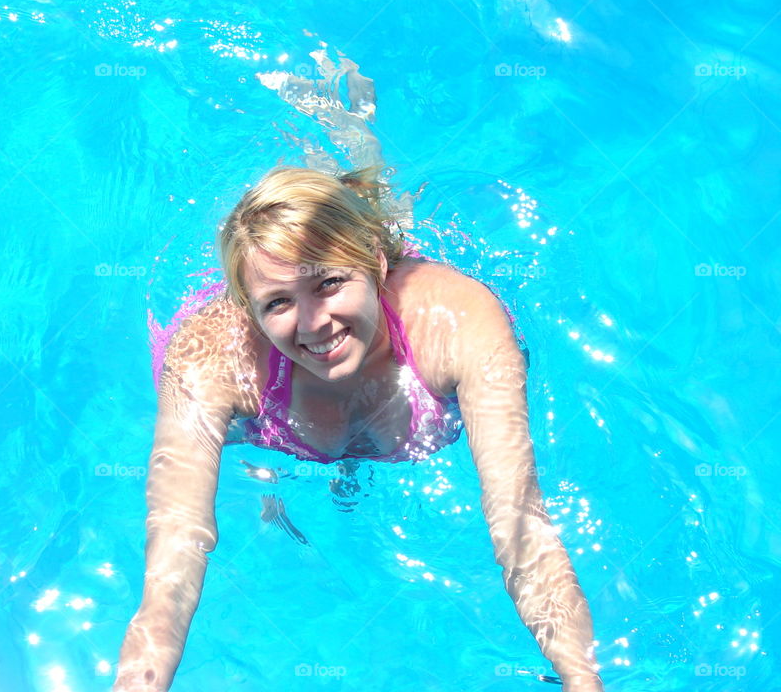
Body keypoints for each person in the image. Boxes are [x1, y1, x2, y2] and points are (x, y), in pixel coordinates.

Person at [114, 166, 604, 692]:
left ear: (373, 262)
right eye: (278, 302)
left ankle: (349, 117)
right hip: (271, 426)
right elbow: (175, 550)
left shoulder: (457, 322)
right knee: (251, 472)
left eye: (328, 283)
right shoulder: (211, 358)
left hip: (399, 335)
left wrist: (581, 679)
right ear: (249, 311)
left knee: (367, 175)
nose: (313, 323)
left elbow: (519, 522)